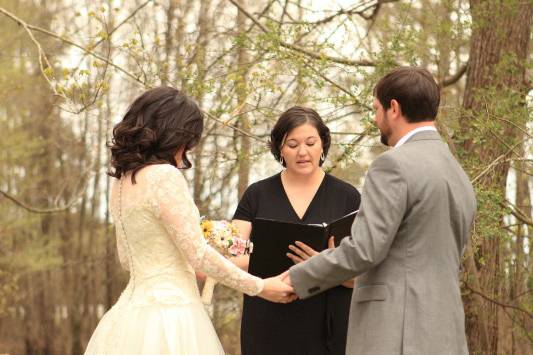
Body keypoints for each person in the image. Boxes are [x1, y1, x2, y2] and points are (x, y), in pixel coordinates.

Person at [83, 86, 295, 355]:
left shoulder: (121, 184)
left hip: (130, 317)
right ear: (175, 134)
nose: (189, 147)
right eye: (189, 138)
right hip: (171, 317)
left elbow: (126, 258)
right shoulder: (164, 177)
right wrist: (260, 286)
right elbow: (197, 254)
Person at [284, 67, 477, 355]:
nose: (375, 119)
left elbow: (364, 250)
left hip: (396, 332)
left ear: (394, 108)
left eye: (376, 109)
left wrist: (297, 277)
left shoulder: (393, 166)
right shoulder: (457, 172)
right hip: (445, 332)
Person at [232, 106, 361, 355]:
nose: (302, 152)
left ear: (323, 144)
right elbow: (231, 258)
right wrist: (265, 263)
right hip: (267, 318)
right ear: (280, 148)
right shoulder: (256, 195)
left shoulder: (348, 197)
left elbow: (363, 275)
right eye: (292, 144)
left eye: (311, 142)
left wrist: (326, 265)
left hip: (329, 324)